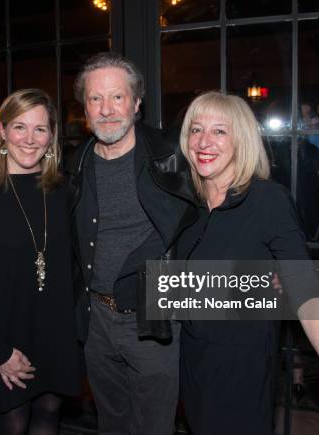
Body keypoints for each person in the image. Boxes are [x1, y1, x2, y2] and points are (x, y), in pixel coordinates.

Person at [175, 91, 319, 435]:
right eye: (196, 129)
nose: (204, 141)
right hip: (192, 363)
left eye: (220, 131)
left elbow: (306, 289)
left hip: (242, 368)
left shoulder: (266, 200)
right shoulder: (187, 204)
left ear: (241, 140)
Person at [66, 52, 193, 435]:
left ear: (136, 104)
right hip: (96, 315)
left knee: (154, 426)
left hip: (154, 307)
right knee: (112, 422)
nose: (106, 110)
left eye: (117, 97)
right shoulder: (75, 163)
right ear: (84, 108)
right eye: (95, 99)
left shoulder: (173, 155)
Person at [0, 89, 81, 435]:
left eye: (40, 129)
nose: (30, 139)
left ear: (52, 136)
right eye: (19, 127)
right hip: (5, 333)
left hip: (57, 331)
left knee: (49, 413)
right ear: (2, 131)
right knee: (12, 421)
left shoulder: (65, 189)